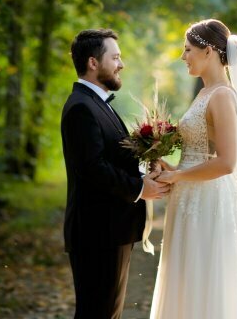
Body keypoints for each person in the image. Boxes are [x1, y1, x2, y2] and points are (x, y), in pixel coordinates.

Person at [149, 19, 237, 318]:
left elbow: (227, 162)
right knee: (185, 277)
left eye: (188, 49)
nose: (183, 56)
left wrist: (178, 175)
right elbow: (200, 152)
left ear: (209, 52)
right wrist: (165, 164)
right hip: (188, 196)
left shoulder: (222, 96)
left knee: (207, 277)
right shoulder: (204, 93)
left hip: (209, 201)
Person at [61, 28, 170, 319]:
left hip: (111, 230)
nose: (121, 64)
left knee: (107, 313)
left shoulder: (97, 104)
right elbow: (91, 168)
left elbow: (111, 157)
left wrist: (147, 167)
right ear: (94, 63)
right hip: (96, 232)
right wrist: (139, 189)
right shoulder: (81, 108)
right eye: (116, 57)